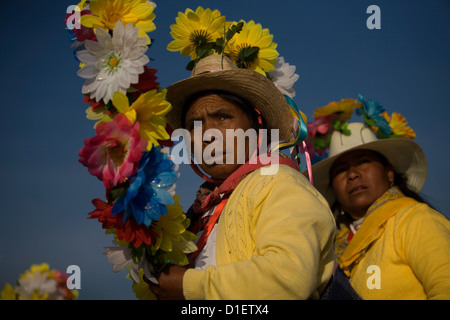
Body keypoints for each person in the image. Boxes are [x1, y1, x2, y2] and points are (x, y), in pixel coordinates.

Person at [146, 54, 336, 300]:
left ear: (255, 126)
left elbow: (288, 279)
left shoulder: (278, 183)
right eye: (195, 124)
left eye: (223, 117)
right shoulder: (198, 213)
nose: (208, 135)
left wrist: (189, 286)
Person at [310, 122, 450, 300]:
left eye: (363, 162)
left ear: (389, 172)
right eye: (341, 170)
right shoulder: (332, 250)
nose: (352, 174)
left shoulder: (414, 219)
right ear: (333, 188)